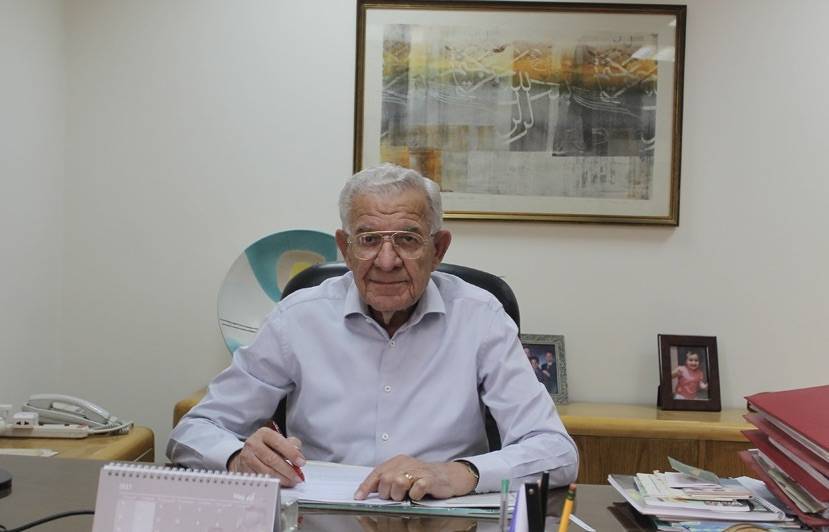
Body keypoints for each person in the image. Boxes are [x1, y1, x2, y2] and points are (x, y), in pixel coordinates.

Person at [167, 163, 578, 501]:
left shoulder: (480, 317)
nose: (386, 261)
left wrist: (460, 473)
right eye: (368, 240)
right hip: (320, 521)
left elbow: (556, 452)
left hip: (442, 520)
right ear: (345, 248)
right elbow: (193, 431)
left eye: (407, 239)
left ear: (438, 249)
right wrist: (238, 457)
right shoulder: (298, 318)